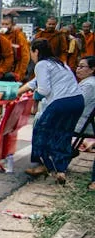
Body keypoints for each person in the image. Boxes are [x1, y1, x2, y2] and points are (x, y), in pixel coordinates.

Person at [17, 39, 85, 185]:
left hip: (61, 103)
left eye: (31, 52)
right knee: (64, 134)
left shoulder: (41, 64)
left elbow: (43, 89)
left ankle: (45, 166)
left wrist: (34, 96)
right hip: (77, 101)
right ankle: (61, 170)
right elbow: (35, 82)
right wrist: (18, 91)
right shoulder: (59, 63)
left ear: (36, 51)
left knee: (40, 131)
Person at [74, 55, 95, 154]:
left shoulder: (89, 85)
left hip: (81, 123)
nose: (78, 69)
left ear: (92, 69)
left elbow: (77, 104)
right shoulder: (88, 82)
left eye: (82, 67)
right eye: (78, 66)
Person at [0, 16, 30, 81]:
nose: (4, 26)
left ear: (12, 25)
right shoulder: (0, 35)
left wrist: (20, 73)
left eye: (7, 24)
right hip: (3, 67)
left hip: (16, 67)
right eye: (2, 24)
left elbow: (25, 55)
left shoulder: (18, 35)